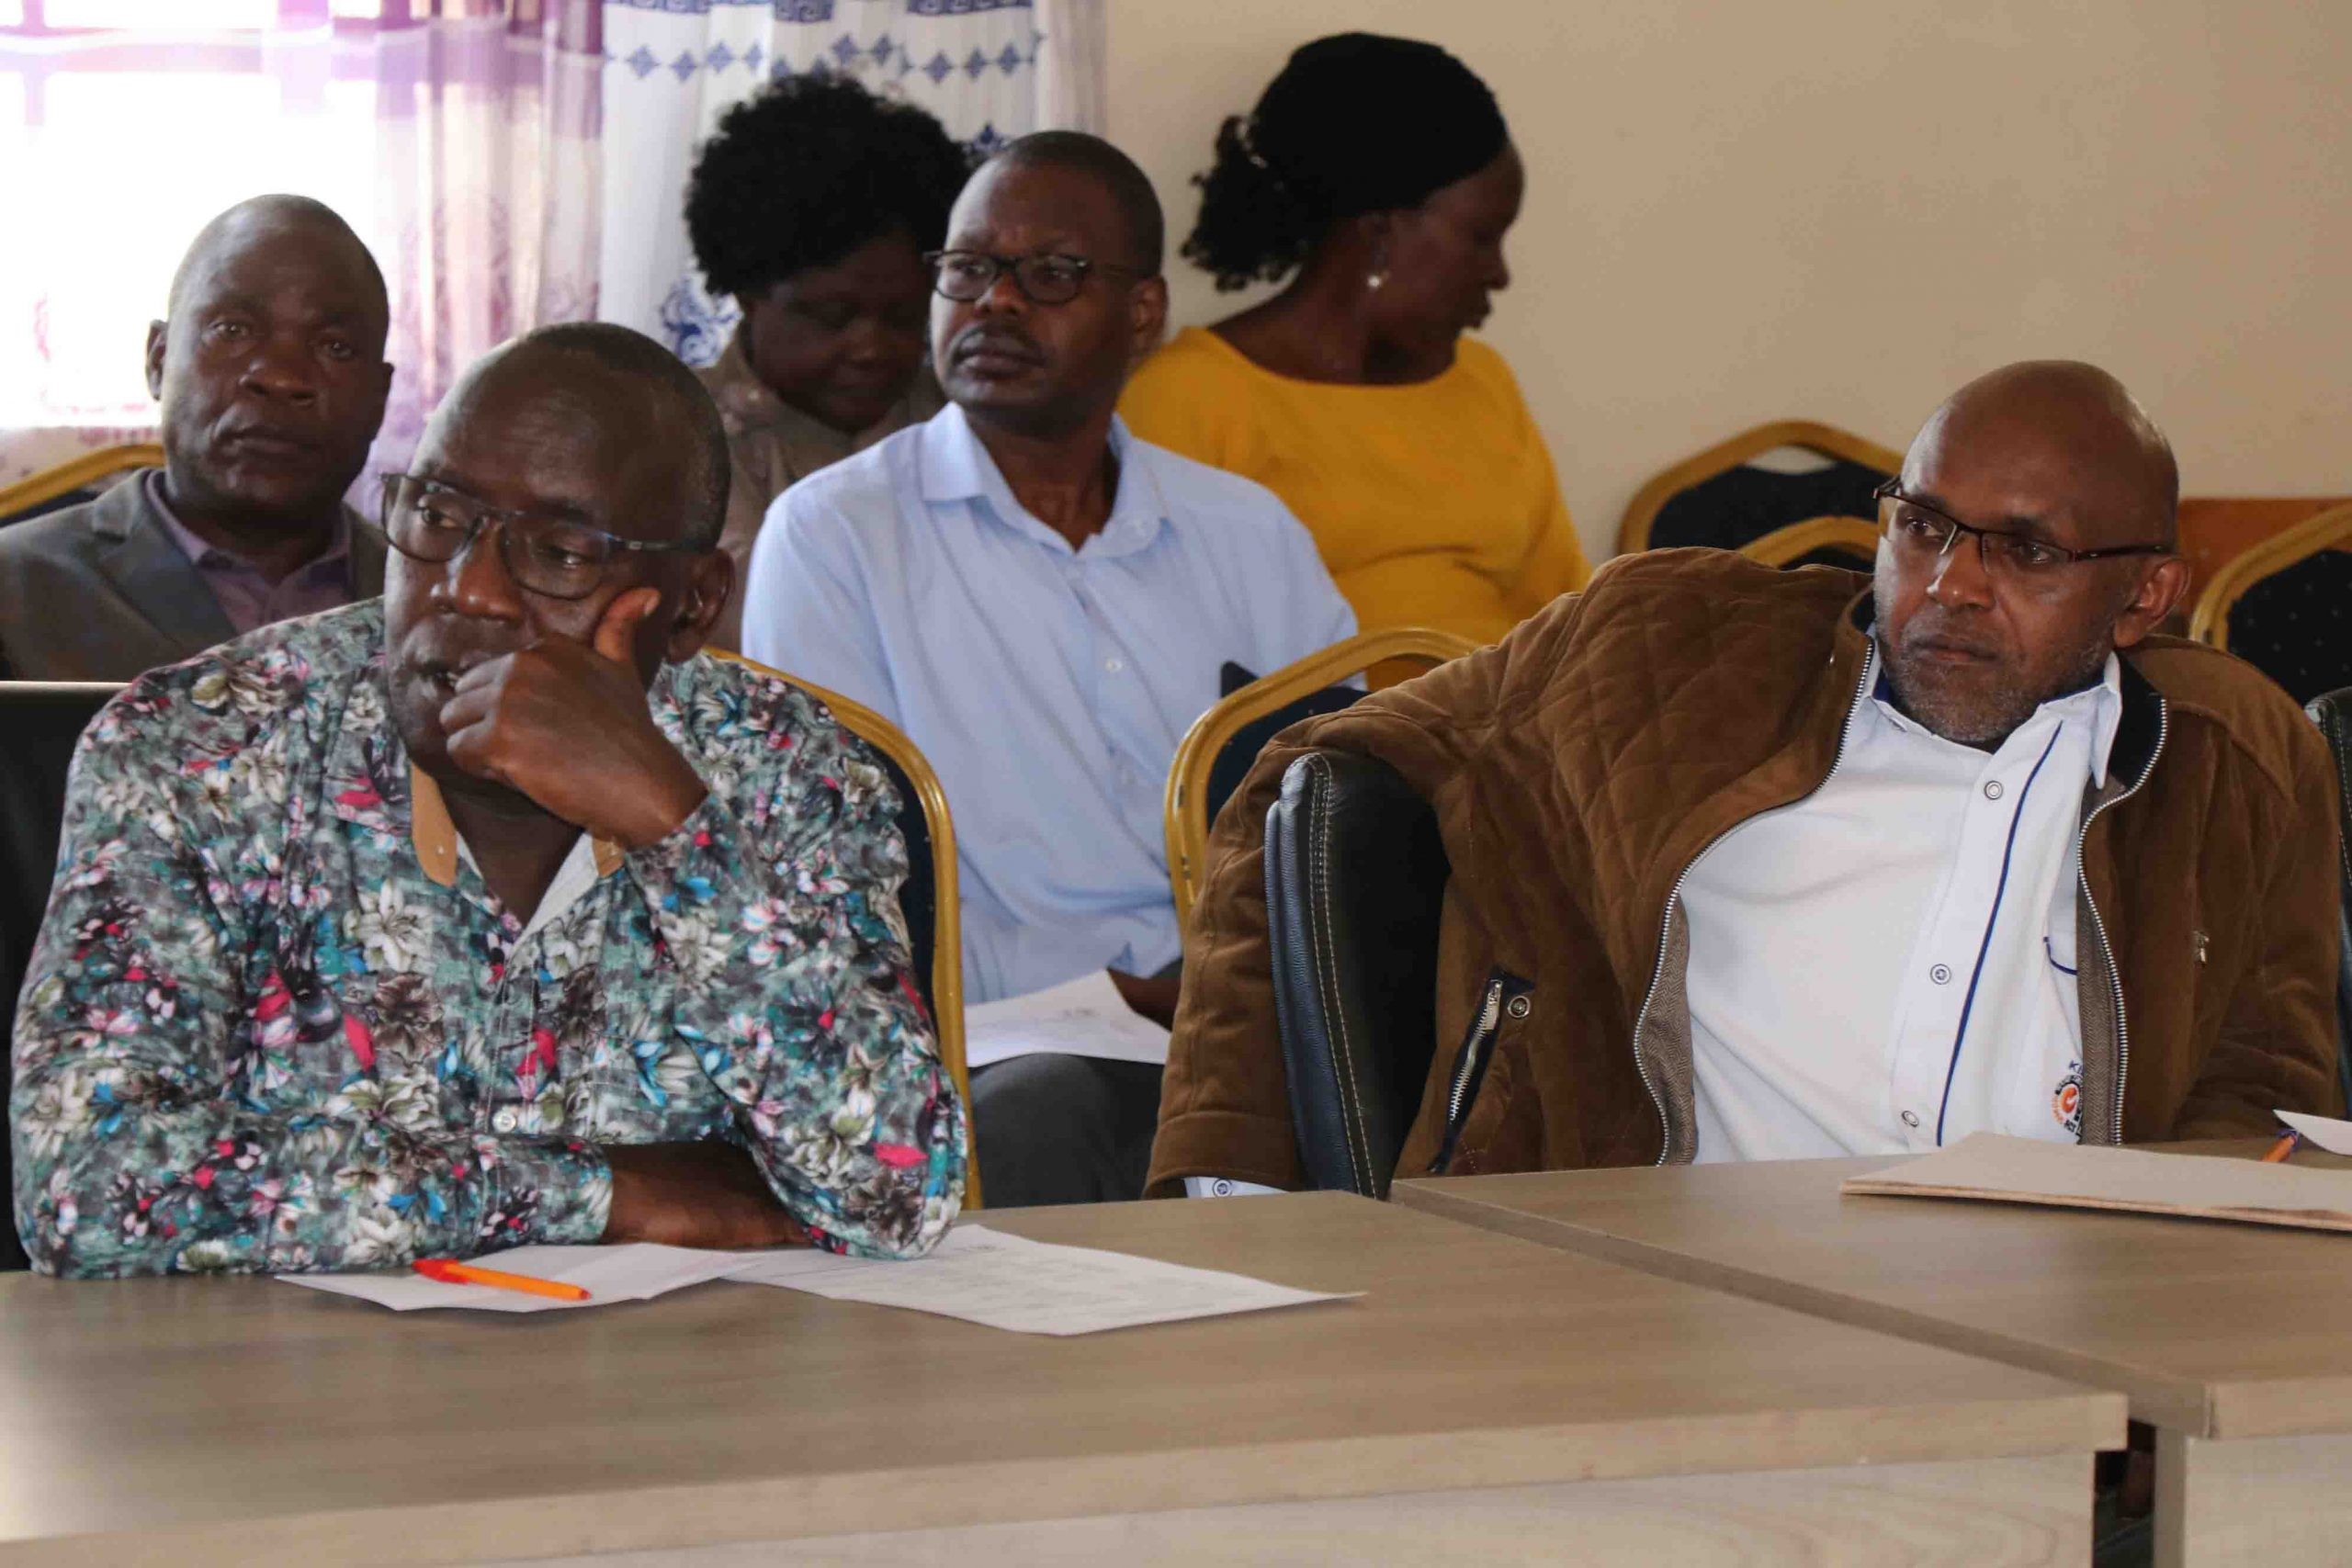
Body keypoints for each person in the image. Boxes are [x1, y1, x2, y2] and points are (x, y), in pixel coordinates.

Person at [1150, 362, 2341, 1197]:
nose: (1950, 586)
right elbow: (1307, 770)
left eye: (2025, 551)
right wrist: (1236, 1180)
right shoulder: (1667, 653)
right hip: (1663, 1312)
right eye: (1922, 525)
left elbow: (2264, 1089)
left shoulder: (2231, 760)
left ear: (2145, 597)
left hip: (2064, 1348)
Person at [10, 322, 964, 1278]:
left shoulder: (791, 770)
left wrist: (678, 832)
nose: (469, 591)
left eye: (559, 552)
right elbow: (86, 1187)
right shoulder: (196, 750)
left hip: (688, 1366)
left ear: (691, 603)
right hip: (289, 1369)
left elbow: (900, 1195)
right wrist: (601, 1194)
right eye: (436, 516)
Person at [742, 133, 1354, 1207]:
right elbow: (827, 870)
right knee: (1049, 1114)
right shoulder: (839, 535)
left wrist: (1227, 983)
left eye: (1052, 274)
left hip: (1237, 1014)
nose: (996, 303)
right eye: (969, 269)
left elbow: (1336, 810)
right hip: (1008, 1034)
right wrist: (1103, 996)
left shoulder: (1246, 534)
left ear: (1142, 312)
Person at [1120, 33, 1587, 671]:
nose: (1500, 274)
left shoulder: (1483, 379)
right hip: (1334, 731)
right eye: (1482, 238)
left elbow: (1568, 611)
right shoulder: (1187, 399)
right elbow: (1163, 651)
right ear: (1379, 234)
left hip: (1527, 716)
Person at [0, 195, 392, 680]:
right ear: (158, 361)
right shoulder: (14, 588)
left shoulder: (444, 602)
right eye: (232, 330)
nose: (281, 377)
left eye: (335, 347)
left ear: (380, 398)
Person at [684, 75, 971, 649]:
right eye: (831, 317)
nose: (870, 348)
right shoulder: (680, 436)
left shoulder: (962, 425)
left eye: (902, 316)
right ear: (748, 294)